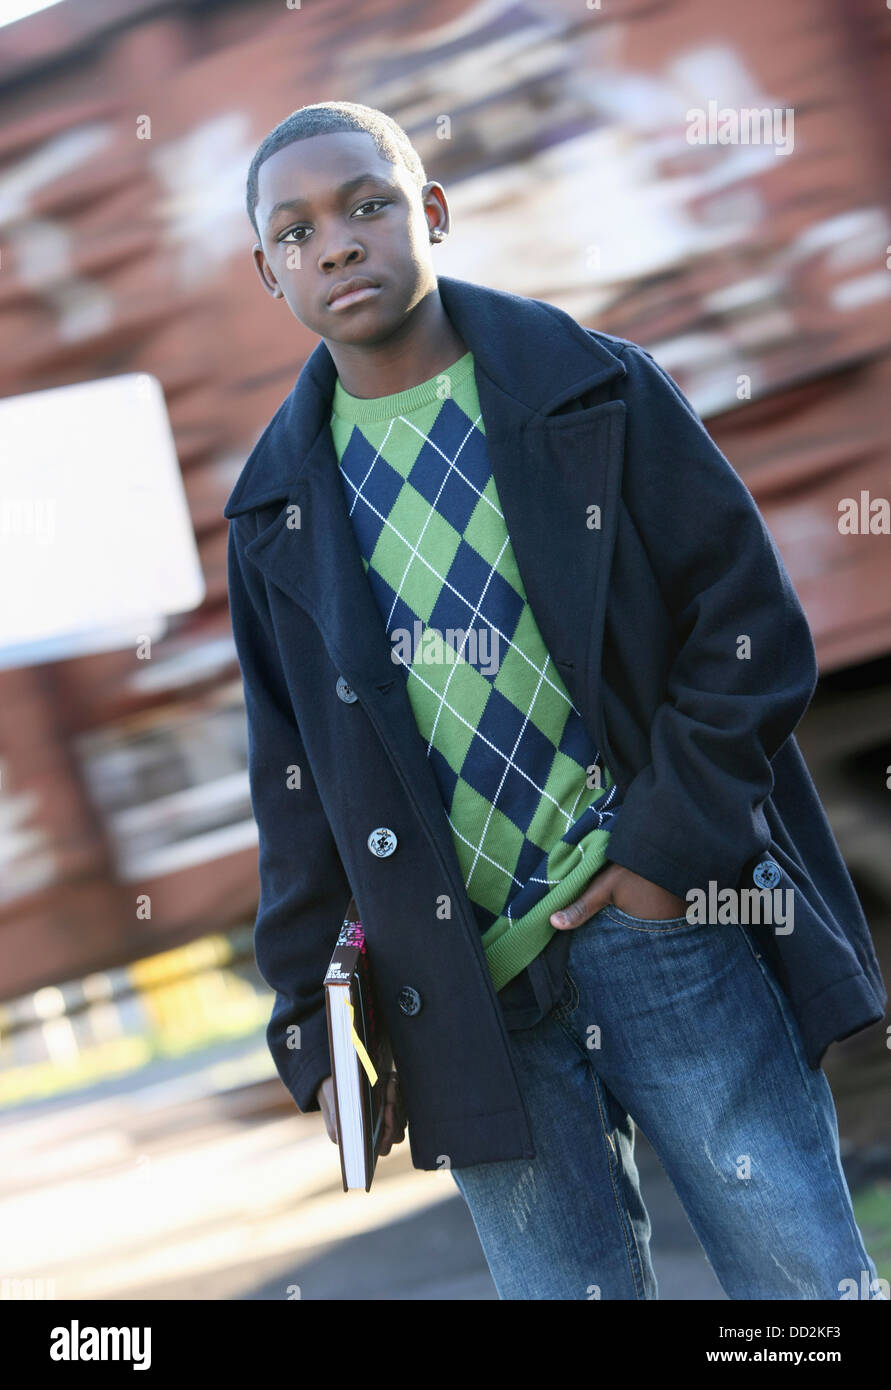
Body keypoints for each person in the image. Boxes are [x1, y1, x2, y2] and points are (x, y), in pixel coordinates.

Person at [225, 100, 887, 1299]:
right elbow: (294, 781)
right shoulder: (274, 507)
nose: (336, 243)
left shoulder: (594, 390)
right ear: (270, 273)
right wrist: (305, 1020)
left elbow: (747, 630)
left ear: (430, 213)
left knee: (798, 1277)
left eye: (368, 205)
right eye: (295, 231)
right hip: (458, 985)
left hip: (658, 923)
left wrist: (661, 854)